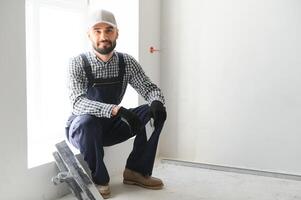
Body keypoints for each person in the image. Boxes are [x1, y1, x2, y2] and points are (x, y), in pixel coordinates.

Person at [66, 9, 167, 199]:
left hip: (112, 126)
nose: (103, 36)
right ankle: (100, 179)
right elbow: (77, 103)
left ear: (117, 33)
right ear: (88, 34)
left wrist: (156, 101)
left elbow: (148, 87)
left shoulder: (126, 62)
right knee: (87, 122)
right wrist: (114, 110)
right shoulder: (77, 63)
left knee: (155, 112)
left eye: (109, 30)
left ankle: (136, 171)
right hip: (83, 130)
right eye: (97, 31)